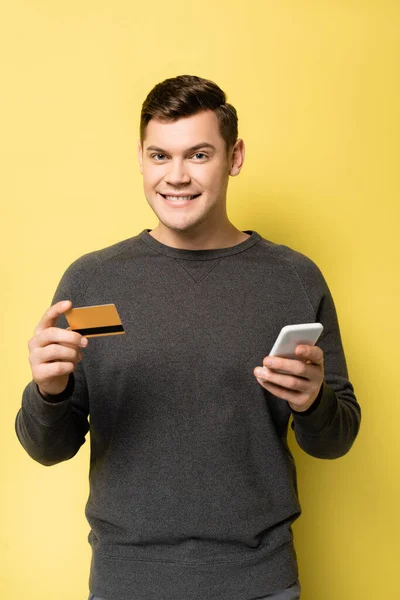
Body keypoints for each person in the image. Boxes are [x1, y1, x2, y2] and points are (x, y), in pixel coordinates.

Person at [15, 74, 361, 600]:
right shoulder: (93, 282)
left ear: (235, 155)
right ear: (141, 158)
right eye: (160, 156)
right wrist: (48, 392)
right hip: (125, 584)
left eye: (198, 155)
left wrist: (314, 402)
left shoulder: (293, 279)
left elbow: (336, 440)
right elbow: (47, 448)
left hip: (260, 582)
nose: (176, 177)